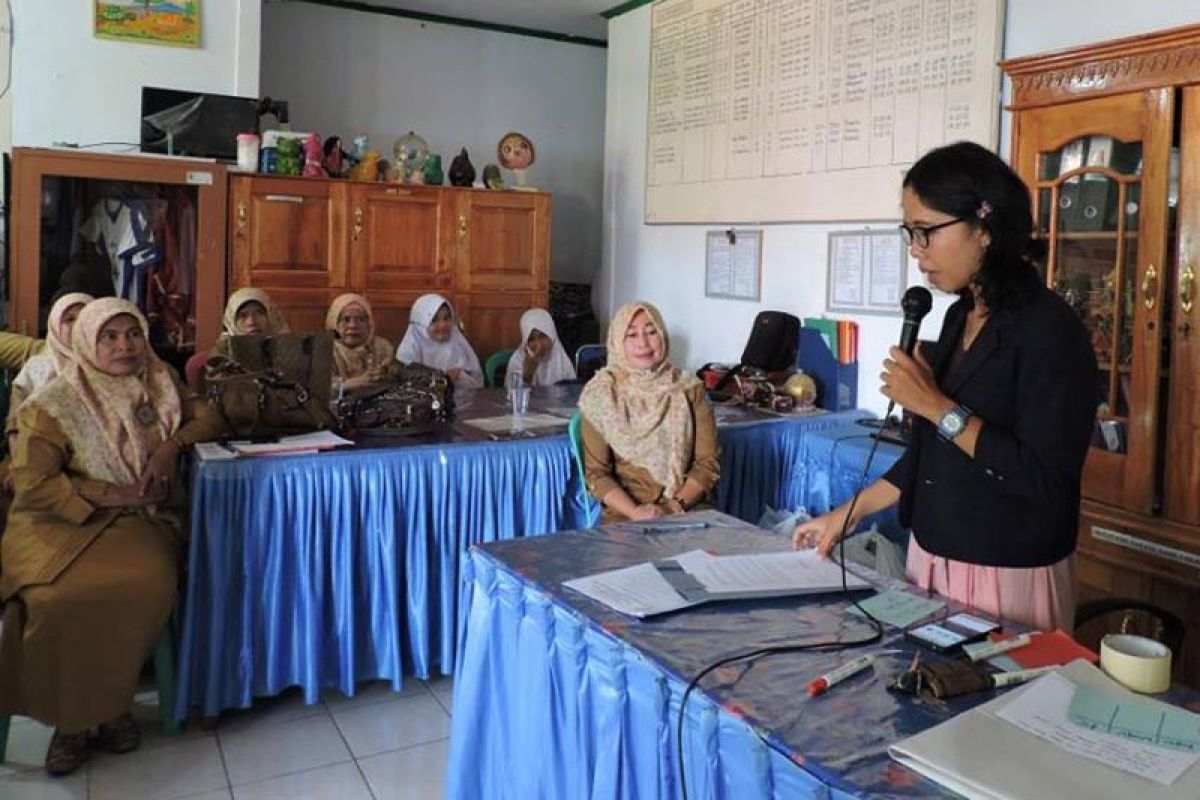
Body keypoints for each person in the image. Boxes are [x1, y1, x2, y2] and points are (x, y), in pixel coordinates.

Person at [793, 141, 1097, 631]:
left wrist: (936, 406)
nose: (916, 250)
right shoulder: (959, 315)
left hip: (1007, 572)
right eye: (909, 232)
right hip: (933, 557)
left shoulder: (1049, 330)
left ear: (984, 229)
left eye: (926, 232)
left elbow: (1044, 479)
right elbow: (931, 455)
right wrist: (848, 513)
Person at [0, 298, 226, 775]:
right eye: (109, 336)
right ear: (86, 340)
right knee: (55, 598)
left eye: (133, 334)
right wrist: (111, 492)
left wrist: (170, 447)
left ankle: (108, 707)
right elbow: (36, 485)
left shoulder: (160, 382)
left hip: (139, 522)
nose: (124, 345)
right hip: (58, 525)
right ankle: (74, 723)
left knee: (144, 579)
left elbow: (210, 417)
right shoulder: (55, 401)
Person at [579, 301, 720, 522]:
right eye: (631, 335)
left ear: (662, 335)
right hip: (625, 514)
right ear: (617, 341)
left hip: (687, 507)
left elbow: (707, 464)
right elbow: (597, 474)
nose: (643, 343)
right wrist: (636, 513)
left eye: (651, 332)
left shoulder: (689, 388)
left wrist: (672, 508)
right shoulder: (601, 395)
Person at [6, 292, 93, 443]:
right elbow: (15, 424)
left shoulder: (114, 365)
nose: (78, 324)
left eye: (86, 317)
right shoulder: (36, 368)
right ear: (55, 326)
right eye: (70, 319)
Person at [395, 293, 483, 389]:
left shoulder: (456, 339)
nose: (443, 325)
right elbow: (405, 386)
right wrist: (444, 378)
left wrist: (460, 375)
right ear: (419, 326)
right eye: (433, 320)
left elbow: (476, 382)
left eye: (446, 318)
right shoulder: (408, 350)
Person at [326, 292, 393, 391]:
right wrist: (350, 384)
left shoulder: (383, 348)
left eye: (360, 319)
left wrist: (387, 374)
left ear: (369, 323)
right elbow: (317, 390)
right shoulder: (323, 351)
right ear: (334, 323)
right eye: (346, 319)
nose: (353, 326)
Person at [211, 287, 290, 357]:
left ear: (270, 315)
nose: (252, 322)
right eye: (243, 316)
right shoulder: (222, 354)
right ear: (232, 322)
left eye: (259, 313)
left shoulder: (286, 349)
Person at [506, 308, 576, 386]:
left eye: (542, 337)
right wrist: (527, 374)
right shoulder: (518, 360)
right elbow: (514, 394)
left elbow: (572, 390)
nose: (538, 343)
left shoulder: (561, 359)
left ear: (552, 335)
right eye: (531, 339)